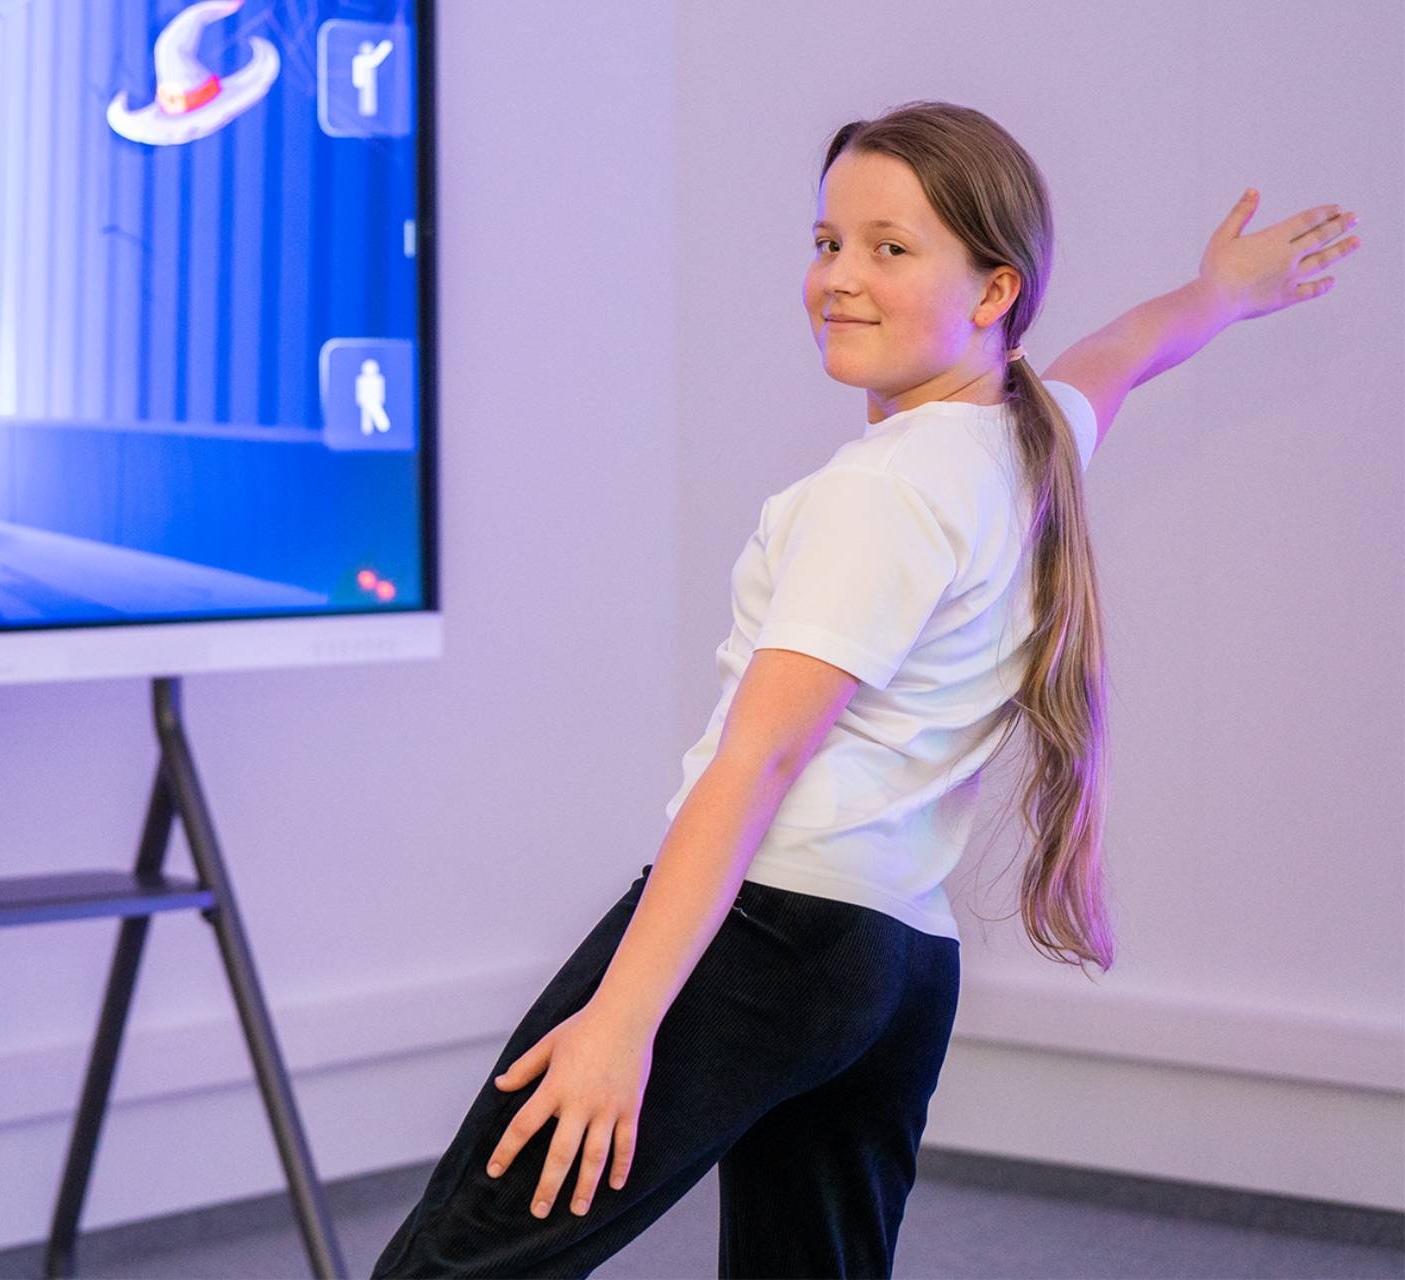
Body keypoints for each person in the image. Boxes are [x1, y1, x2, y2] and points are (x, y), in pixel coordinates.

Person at [371, 99, 1359, 1279]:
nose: (840, 276)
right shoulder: (1028, 442)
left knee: (449, 1267)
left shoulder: (885, 488)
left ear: (993, 292)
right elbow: (1126, 350)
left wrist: (621, 1022)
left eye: (890, 248)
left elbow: (763, 758)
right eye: (828, 240)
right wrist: (1221, 293)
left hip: (768, 929)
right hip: (891, 967)